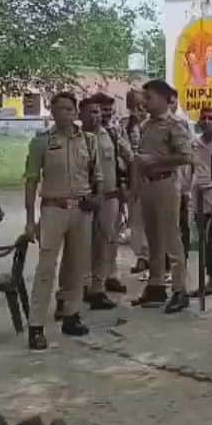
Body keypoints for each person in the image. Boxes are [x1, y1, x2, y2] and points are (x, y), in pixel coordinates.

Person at [23, 91, 102, 350]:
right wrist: (30, 220)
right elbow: (32, 180)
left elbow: (97, 176)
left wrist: (96, 198)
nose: (65, 114)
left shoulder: (88, 141)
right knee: (46, 266)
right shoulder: (42, 141)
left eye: (70, 109)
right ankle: (36, 325)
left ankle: (71, 313)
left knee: (77, 266)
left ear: (76, 112)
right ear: (52, 112)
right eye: (60, 109)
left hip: (81, 208)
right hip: (53, 208)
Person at [131, 80, 196, 313]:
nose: (144, 102)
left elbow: (186, 156)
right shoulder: (147, 124)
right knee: (153, 238)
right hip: (148, 185)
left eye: (149, 98)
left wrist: (155, 161)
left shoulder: (174, 124)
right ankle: (156, 285)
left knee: (171, 237)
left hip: (166, 183)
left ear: (163, 98)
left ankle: (180, 289)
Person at [79, 95, 120, 311]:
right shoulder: (77, 138)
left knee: (104, 243)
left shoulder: (110, 134)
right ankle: (81, 286)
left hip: (109, 197)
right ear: (80, 114)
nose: (96, 116)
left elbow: (125, 160)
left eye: (98, 112)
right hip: (84, 199)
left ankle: (98, 288)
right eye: (91, 112)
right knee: (82, 245)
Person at [189, 106, 212, 297]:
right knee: (205, 242)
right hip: (200, 198)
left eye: (211, 118)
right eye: (204, 118)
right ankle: (210, 281)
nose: (207, 121)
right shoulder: (195, 144)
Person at [96, 94, 127, 295]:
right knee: (94, 239)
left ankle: (111, 275)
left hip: (113, 192)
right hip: (91, 195)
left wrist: (125, 185)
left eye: (109, 110)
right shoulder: (83, 134)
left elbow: (124, 158)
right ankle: (91, 280)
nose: (106, 114)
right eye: (102, 110)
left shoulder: (115, 133)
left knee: (112, 236)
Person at [118, 89, 150, 275]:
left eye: (143, 106)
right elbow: (122, 147)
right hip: (132, 177)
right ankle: (141, 257)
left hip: (151, 177)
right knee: (135, 221)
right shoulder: (124, 126)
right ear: (130, 107)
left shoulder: (152, 124)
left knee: (151, 221)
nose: (140, 110)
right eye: (136, 106)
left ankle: (155, 259)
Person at [167, 87, 194, 272]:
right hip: (165, 186)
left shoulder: (182, 124)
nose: (171, 106)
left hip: (182, 186)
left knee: (181, 226)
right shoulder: (153, 125)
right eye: (168, 102)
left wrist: (188, 188)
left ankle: (180, 265)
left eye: (174, 102)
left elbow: (190, 159)